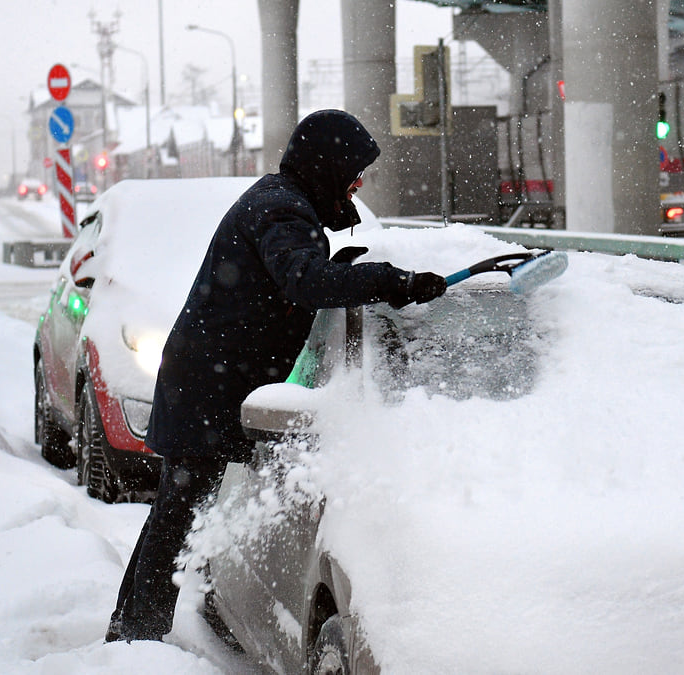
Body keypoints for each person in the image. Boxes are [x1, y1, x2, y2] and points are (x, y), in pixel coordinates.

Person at [106, 109, 447, 643]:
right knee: (178, 518)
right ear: (327, 165)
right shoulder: (282, 210)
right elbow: (304, 281)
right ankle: (135, 640)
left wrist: (351, 269)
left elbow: (302, 273)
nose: (358, 183)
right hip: (207, 385)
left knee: (174, 517)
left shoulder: (286, 202)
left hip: (206, 377)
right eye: (353, 171)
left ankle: (131, 632)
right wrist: (389, 281)